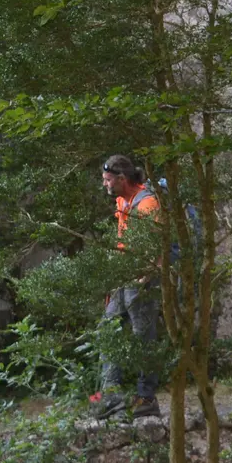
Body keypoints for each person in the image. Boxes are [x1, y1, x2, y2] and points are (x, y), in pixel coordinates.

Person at [94, 154, 162, 420]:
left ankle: (146, 398)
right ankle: (111, 397)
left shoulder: (148, 205)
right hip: (123, 277)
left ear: (122, 179)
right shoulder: (123, 200)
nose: (105, 185)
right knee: (108, 330)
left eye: (108, 180)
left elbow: (156, 248)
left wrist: (143, 279)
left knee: (143, 337)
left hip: (142, 279)